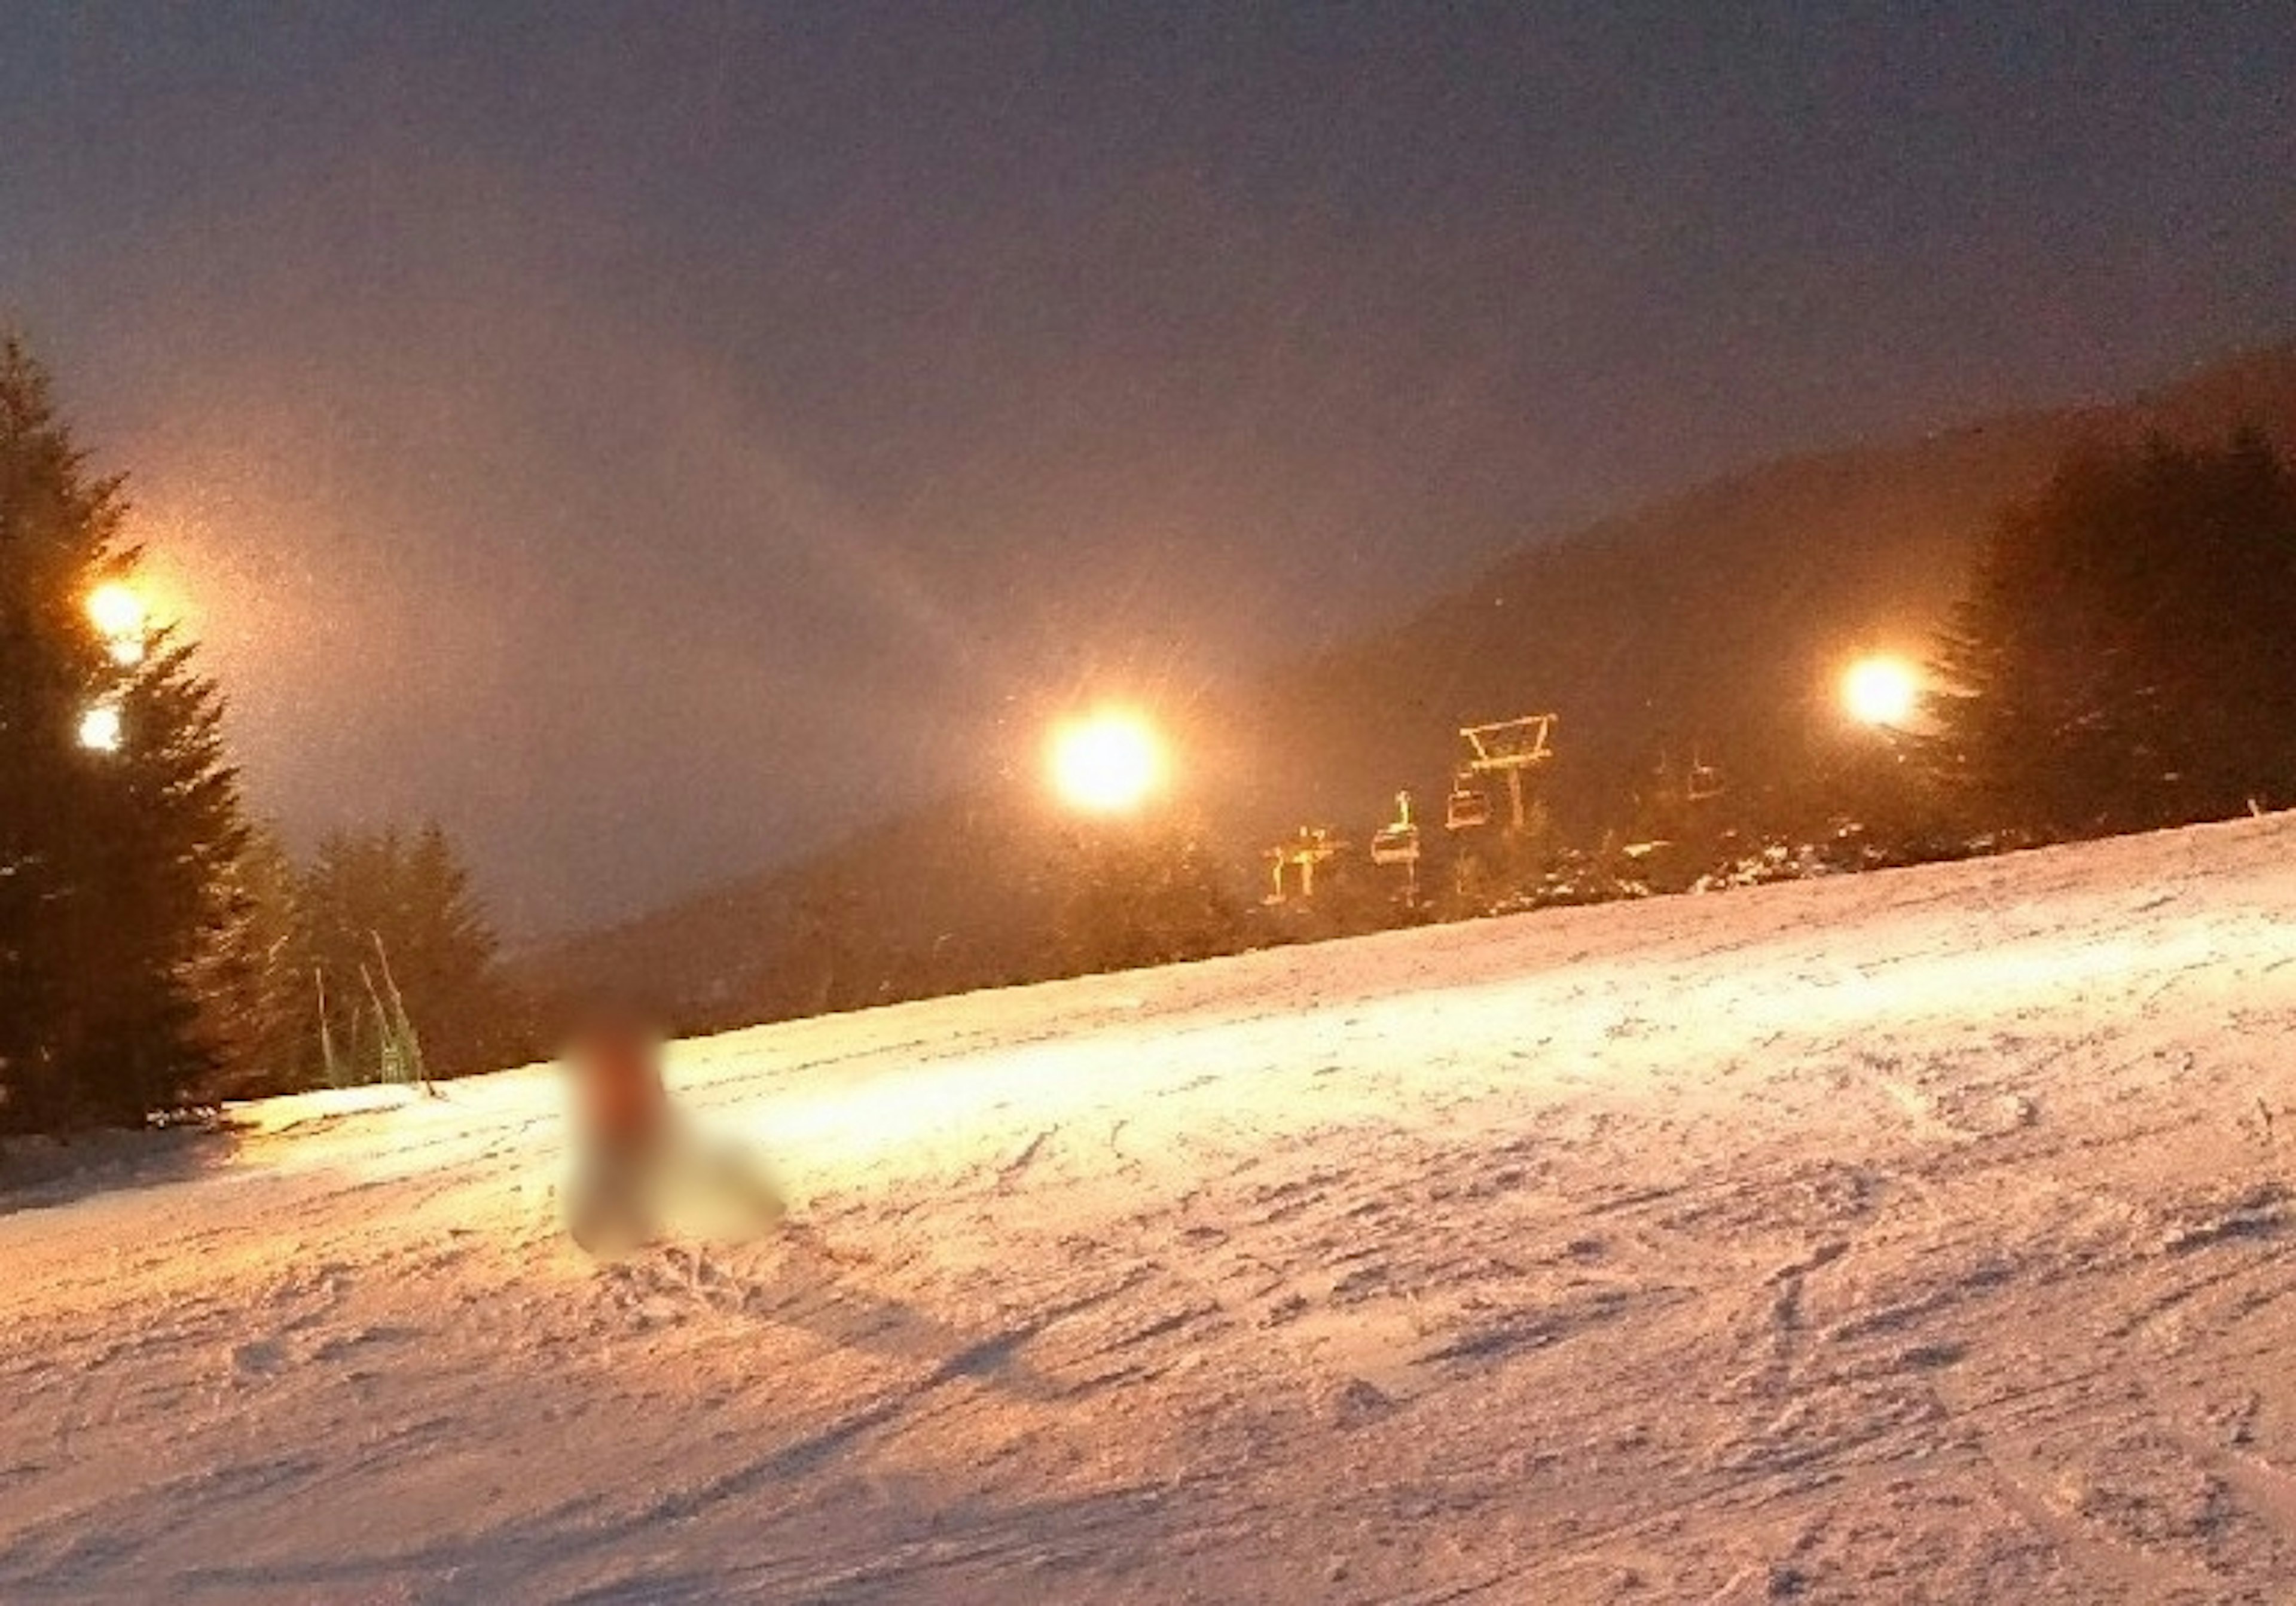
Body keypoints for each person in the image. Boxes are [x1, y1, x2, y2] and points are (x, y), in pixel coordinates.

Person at [560, 1003, 785, 1256]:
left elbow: (640, 1099)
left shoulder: (620, 1062)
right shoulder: (620, 1063)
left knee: (637, 1176)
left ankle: (606, 1226)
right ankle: (609, 1226)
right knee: (629, 1178)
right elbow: (630, 1101)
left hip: (641, 1129)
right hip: (635, 1130)